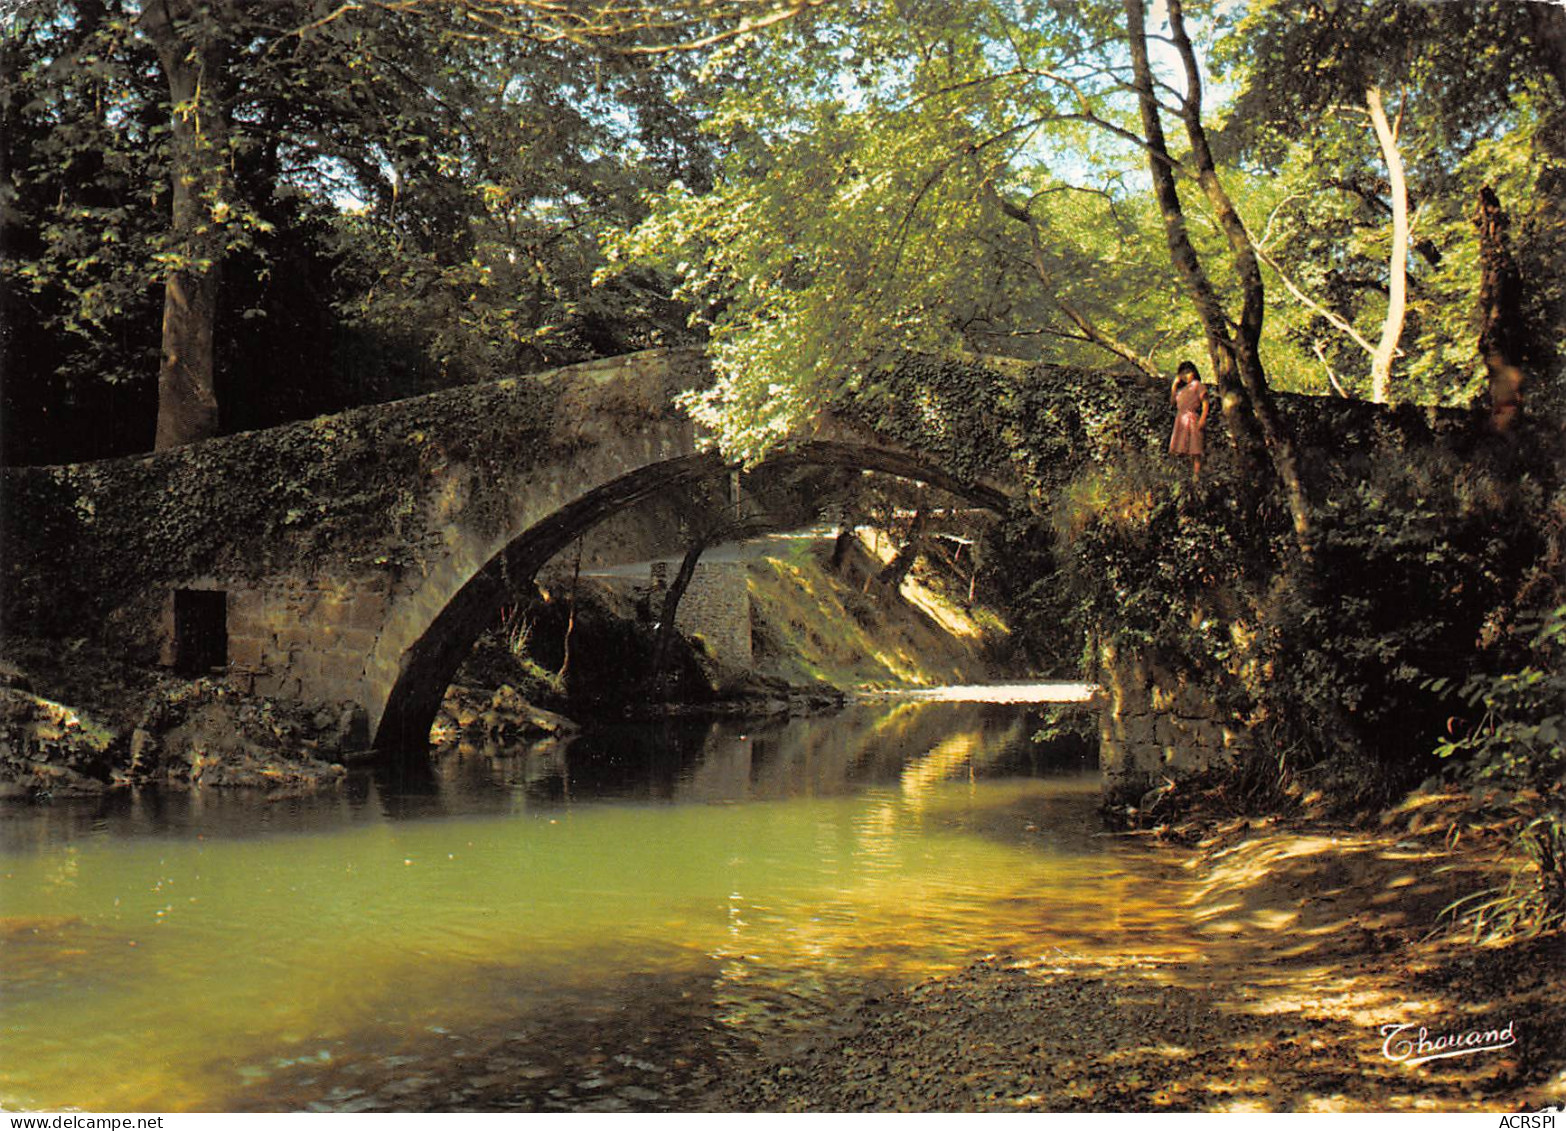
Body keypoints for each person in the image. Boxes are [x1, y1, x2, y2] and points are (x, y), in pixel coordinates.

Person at [1168, 360, 1209, 477]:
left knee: (1195, 449)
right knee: (1180, 449)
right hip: (1180, 419)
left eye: (1188, 372)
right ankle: (1183, 476)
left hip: (1192, 418)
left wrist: (1202, 419)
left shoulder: (1197, 385)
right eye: (1183, 373)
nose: (1186, 375)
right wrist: (1174, 385)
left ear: (1194, 372)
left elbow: (1205, 403)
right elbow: (1172, 402)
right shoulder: (1181, 390)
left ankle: (1196, 476)